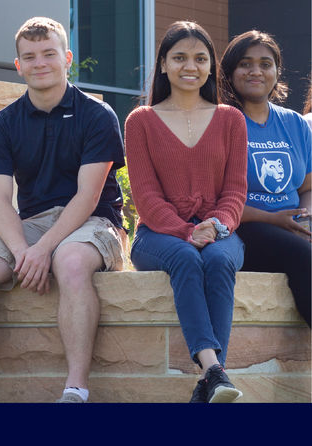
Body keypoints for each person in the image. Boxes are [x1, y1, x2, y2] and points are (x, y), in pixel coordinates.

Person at [0, 16, 126, 404]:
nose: (39, 63)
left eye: (48, 54)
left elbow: (87, 195)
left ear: (67, 59)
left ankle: (75, 391)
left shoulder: (98, 116)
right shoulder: (2, 125)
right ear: (18, 66)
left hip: (93, 219)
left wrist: (43, 249)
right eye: (29, 57)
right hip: (31, 224)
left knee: (71, 262)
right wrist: (21, 252)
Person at [125, 21, 247, 403]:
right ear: (163, 65)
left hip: (218, 231)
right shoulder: (140, 121)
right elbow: (145, 196)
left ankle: (210, 379)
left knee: (218, 261)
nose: (189, 66)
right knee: (186, 259)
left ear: (211, 66)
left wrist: (217, 225)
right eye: (179, 57)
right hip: (158, 236)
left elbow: (235, 190)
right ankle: (215, 369)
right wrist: (184, 231)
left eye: (199, 58)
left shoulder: (231, 119)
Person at [220, 31, 311, 326]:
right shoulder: (220, 122)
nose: (256, 71)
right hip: (243, 228)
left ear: (277, 71)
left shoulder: (295, 123)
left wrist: (305, 217)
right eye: (245, 64)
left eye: (265, 63)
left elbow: (307, 186)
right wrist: (276, 221)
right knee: (302, 255)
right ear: (230, 72)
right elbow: (212, 199)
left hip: (291, 228)